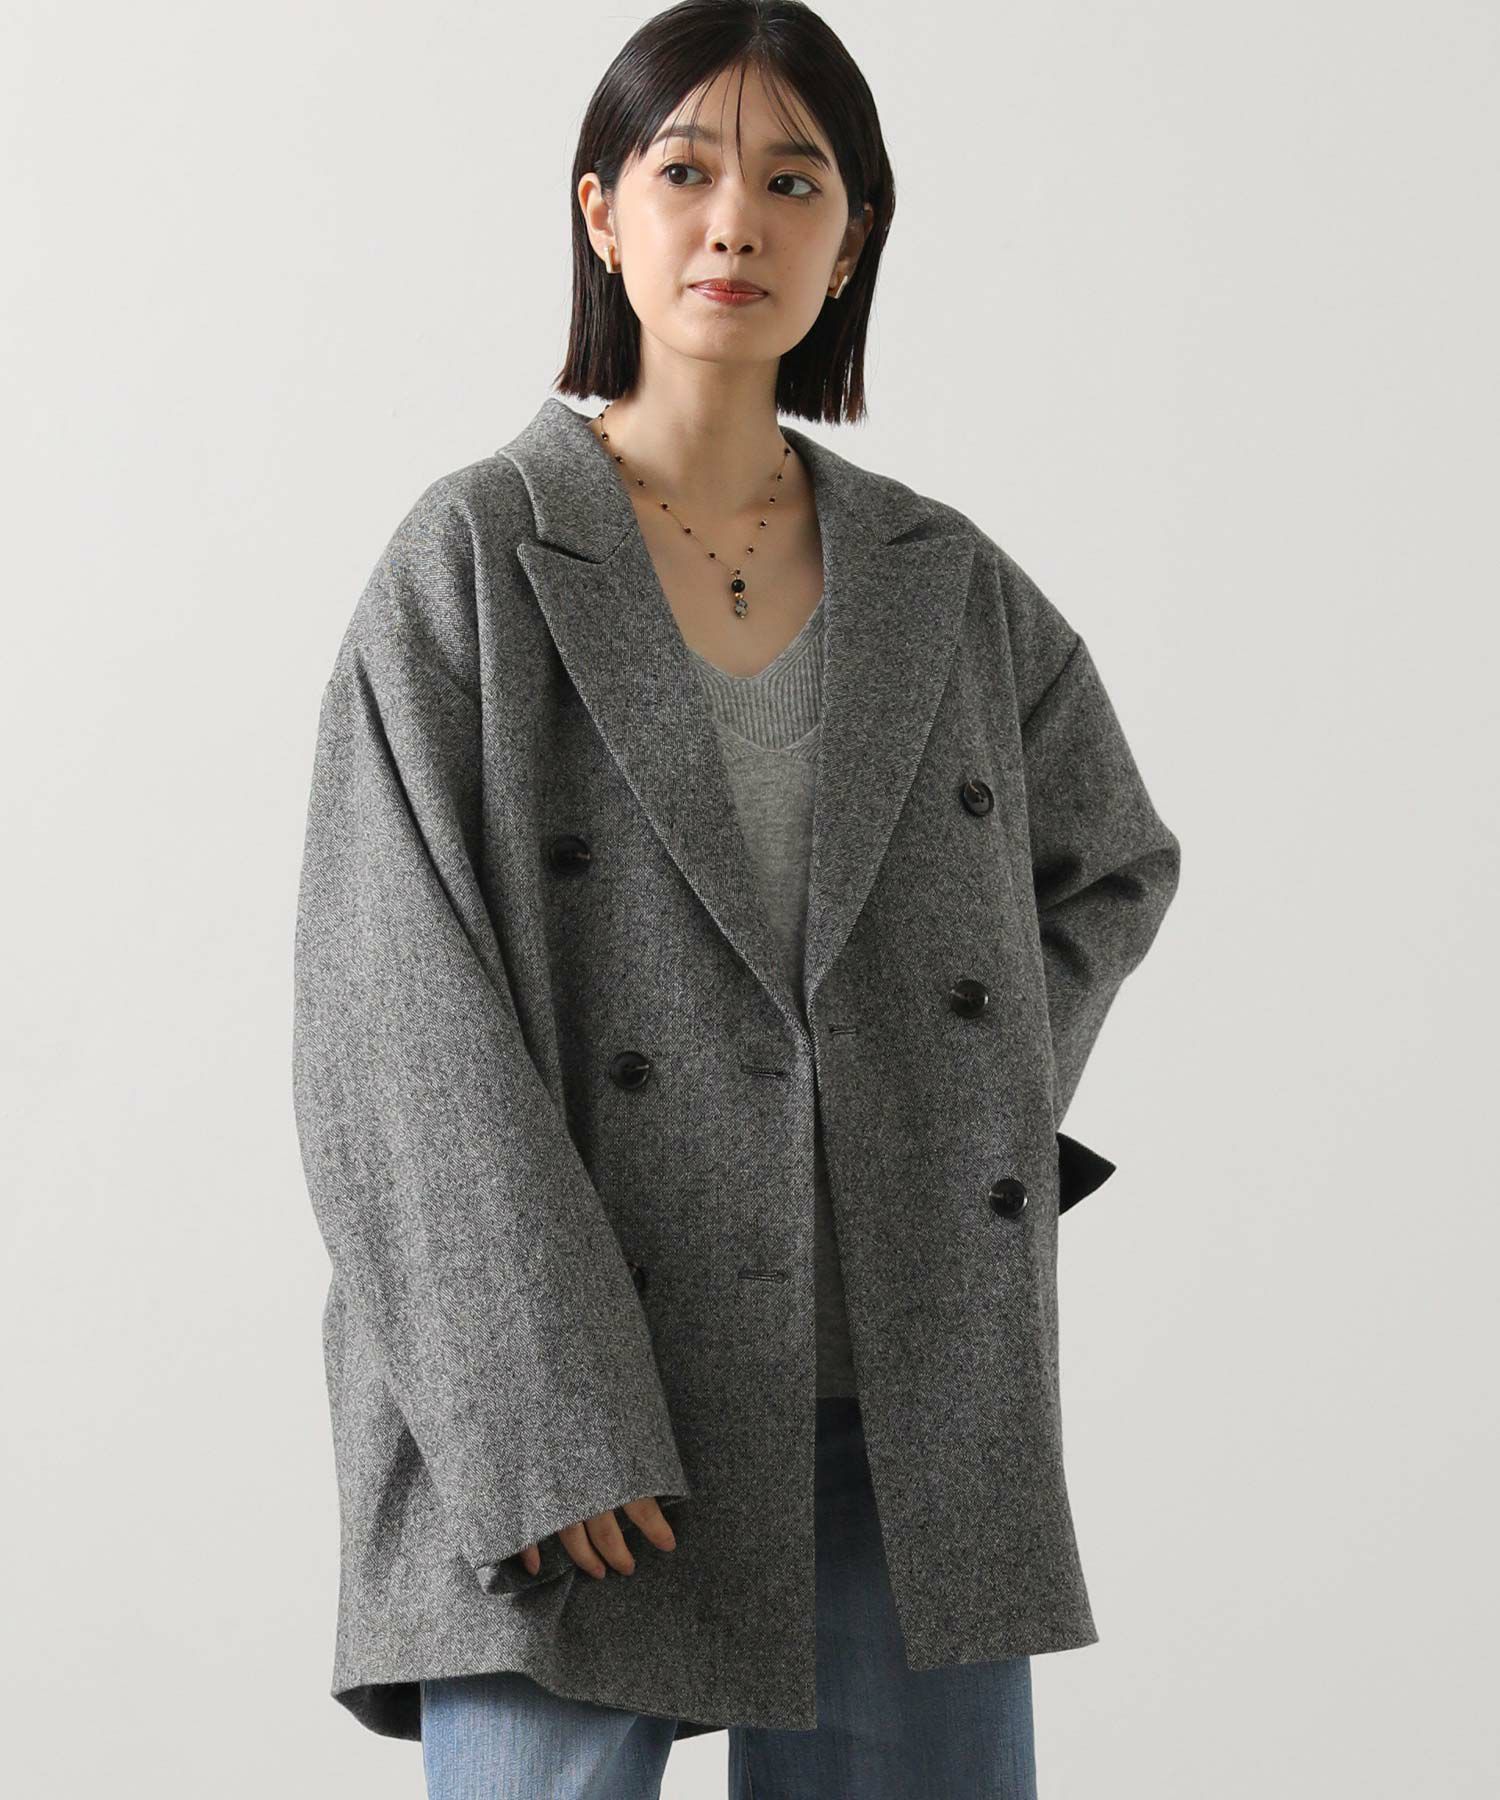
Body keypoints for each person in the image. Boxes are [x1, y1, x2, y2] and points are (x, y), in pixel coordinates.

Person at [292, 4, 1182, 1796]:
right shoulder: (475, 558)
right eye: (686, 169)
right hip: (579, 1404)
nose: (734, 223)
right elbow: (390, 1022)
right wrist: (540, 1413)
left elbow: (1110, 865)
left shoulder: (943, 580)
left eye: (794, 182)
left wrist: (952, 1118)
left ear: (854, 239)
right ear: (601, 212)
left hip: (900, 1409)